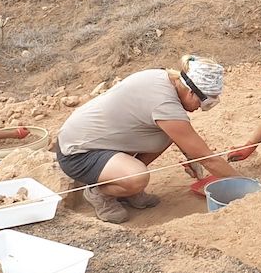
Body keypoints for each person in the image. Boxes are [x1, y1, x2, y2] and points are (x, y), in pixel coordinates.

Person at [55, 55, 242, 223]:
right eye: (205, 102)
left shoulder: (164, 79)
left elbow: (186, 140)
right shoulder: (165, 104)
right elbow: (207, 158)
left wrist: (192, 157)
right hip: (78, 153)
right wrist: (245, 186)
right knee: (137, 177)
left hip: (100, 141)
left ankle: (124, 187)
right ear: (191, 91)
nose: (201, 108)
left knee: (165, 134)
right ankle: (100, 192)